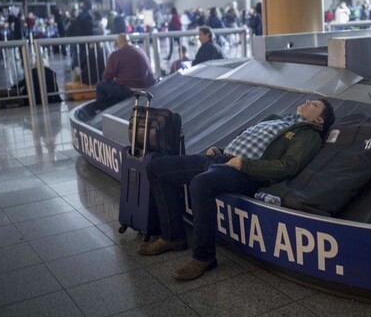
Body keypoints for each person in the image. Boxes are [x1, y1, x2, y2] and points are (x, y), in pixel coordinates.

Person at [138, 99, 336, 281]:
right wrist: (221, 151)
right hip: (222, 160)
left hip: (248, 173)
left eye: (314, 105)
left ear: (319, 119)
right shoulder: (276, 119)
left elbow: (287, 166)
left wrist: (244, 165)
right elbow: (248, 142)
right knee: (156, 168)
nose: (308, 101)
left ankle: (204, 257)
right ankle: (173, 237)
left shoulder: (308, 135)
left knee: (200, 184)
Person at [91, 34, 155, 110]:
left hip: (130, 90)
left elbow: (106, 77)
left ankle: (102, 111)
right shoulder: (140, 50)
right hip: (148, 88)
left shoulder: (116, 55)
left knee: (100, 86)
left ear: (118, 43)